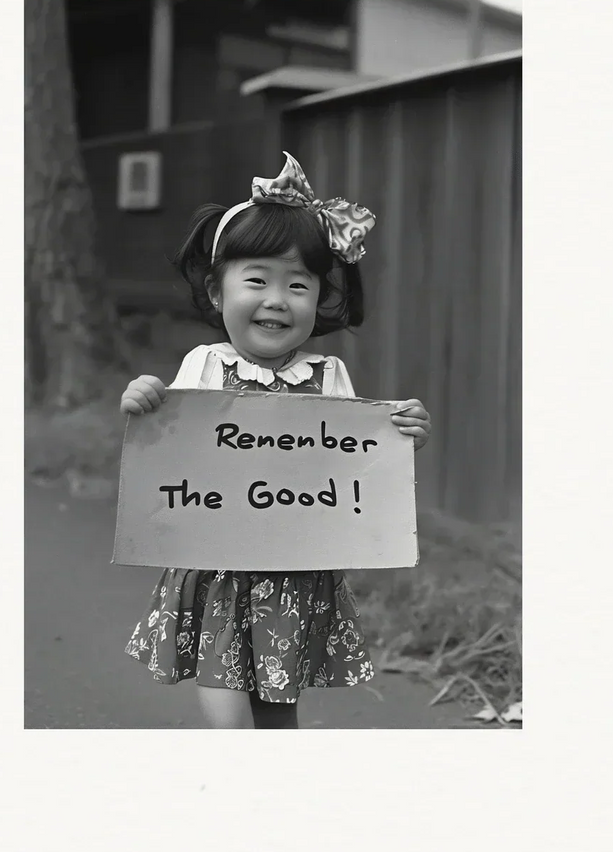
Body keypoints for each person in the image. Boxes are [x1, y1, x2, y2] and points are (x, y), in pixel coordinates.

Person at [121, 152, 431, 729]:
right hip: (217, 567)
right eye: (257, 280)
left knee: (278, 706)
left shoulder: (329, 377)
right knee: (230, 711)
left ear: (318, 297)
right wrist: (142, 399)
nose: (276, 299)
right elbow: (169, 441)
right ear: (217, 292)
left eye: (298, 284)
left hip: (295, 569)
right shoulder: (204, 365)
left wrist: (402, 438)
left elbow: (352, 464)